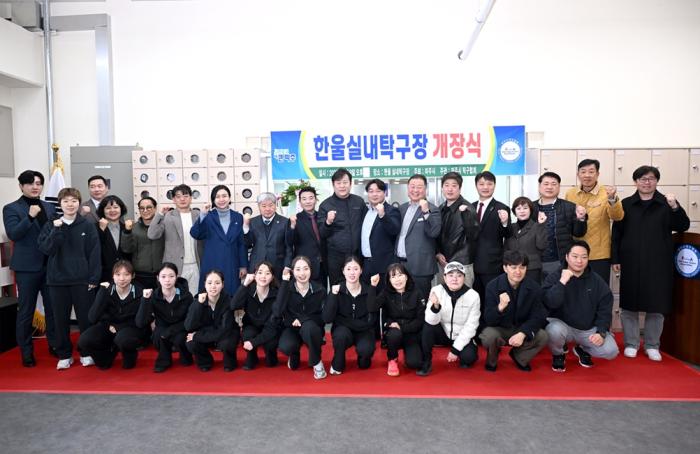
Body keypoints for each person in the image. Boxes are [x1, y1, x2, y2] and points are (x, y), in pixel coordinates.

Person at [612, 165, 690, 361]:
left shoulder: (666, 203)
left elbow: (683, 225)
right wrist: (616, 258)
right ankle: (631, 343)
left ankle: (652, 345)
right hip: (631, 260)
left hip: (658, 262)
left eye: (651, 179)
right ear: (635, 182)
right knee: (629, 304)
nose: (647, 182)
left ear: (656, 181)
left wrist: (675, 207)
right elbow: (616, 234)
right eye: (643, 179)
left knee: (656, 304)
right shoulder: (626, 204)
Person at [37, 187, 101, 370]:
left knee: (85, 320)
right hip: (57, 281)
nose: (70, 204)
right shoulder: (51, 225)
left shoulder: (87, 225)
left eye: (74, 201)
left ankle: (86, 352)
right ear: (60, 204)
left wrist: (93, 279)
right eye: (66, 201)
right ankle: (64, 355)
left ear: (79, 203)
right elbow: (47, 249)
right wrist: (56, 230)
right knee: (60, 320)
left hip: (82, 280)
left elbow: (94, 253)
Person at [2, 170, 57, 366]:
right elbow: (13, 234)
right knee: (26, 311)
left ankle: (55, 345)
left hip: (50, 267)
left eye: (39, 183)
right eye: (30, 183)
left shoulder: (49, 207)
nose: (35, 187)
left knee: (53, 310)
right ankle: (26, 352)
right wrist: (30, 217)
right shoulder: (11, 208)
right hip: (27, 269)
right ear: (21, 186)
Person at [542, 241, 619, 372]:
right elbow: (550, 303)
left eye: (584, 257)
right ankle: (558, 354)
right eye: (575, 256)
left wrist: (601, 332)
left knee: (611, 351)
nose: (579, 261)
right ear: (567, 257)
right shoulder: (554, 276)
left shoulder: (597, 281)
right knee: (553, 331)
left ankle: (582, 349)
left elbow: (605, 308)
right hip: (562, 326)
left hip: (587, 329)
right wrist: (562, 282)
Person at [480, 251, 548, 372]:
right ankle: (492, 360)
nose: (518, 271)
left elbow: (538, 316)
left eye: (522, 267)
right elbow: (488, 319)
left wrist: (523, 333)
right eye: (513, 267)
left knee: (543, 336)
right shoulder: (492, 286)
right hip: (500, 328)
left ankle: (519, 357)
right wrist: (500, 307)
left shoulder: (534, 287)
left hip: (521, 327)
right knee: (489, 336)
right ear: (505, 268)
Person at [77, 260, 147, 369]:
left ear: (133, 276)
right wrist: (102, 292)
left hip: (130, 328)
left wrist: (119, 327)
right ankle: (108, 353)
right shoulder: (106, 290)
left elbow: (140, 323)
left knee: (123, 341)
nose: (122, 278)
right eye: (118, 274)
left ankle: (130, 355)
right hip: (108, 326)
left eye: (126, 274)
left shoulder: (140, 292)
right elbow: (92, 318)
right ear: (113, 276)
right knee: (84, 340)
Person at [565, 159, 624, 283]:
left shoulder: (606, 193)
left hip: (599, 254)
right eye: (583, 172)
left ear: (597, 174)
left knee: (599, 289)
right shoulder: (570, 194)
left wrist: (612, 199)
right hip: (576, 253)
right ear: (578, 174)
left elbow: (617, 216)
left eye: (591, 172)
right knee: (575, 289)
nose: (587, 175)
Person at [417, 261, 480, 376]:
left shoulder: (473, 295)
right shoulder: (436, 290)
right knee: (427, 326)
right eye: (451, 275)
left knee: (468, 359)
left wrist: (455, 350)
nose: (454, 279)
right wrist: (435, 307)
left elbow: (471, 326)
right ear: (444, 277)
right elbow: (430, 321)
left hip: (460, 334)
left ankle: (461, 349)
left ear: (464, 278)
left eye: (459, 275)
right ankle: (426, 361)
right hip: (442, 332)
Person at [323, 256, 380, 375]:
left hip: (364, 331)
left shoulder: (368, 290)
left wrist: (346, 322)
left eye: (355, 269)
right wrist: (333, 295)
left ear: (361, 271)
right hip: (344, 331)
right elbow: (327, 318)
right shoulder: (337, 290)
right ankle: (338, 359)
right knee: (341, 335)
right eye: (348, 269)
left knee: (365, 359)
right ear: (343, 271)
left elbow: (372, 319)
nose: (352, 273)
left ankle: (363, 357)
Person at [273, 256, 327, 379]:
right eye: (298, 269)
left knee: (309, 328)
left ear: (311, 270)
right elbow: (277, 312)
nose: (302, 273)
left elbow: (324, 317)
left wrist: (303, 320)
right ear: (292, 272)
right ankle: (294, 354)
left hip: (312, 328)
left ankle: (317, 362)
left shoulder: (320, 290)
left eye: (305, 269)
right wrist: (284, 283)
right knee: (286, 346)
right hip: (292, 327)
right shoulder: (287, 288)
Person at [368, 263, 425, 376]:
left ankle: (409, 352)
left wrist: (402, 328)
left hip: (411, 332)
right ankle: (392, 358)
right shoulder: (386, 293)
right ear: (389, 280)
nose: (397, 280)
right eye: (393, 277)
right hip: (393, 332)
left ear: (406, 277)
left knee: (414, 363)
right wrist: (373, 286)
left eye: (400, 275)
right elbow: (371, 307)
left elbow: (420, 320)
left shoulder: (417, 292)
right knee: (394, 334)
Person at [136, 262, 194, 373]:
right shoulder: (154, 296)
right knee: (160, 335)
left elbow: (190, 321)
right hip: (162, 329)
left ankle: (185, 355)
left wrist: (171, 331)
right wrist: (145, 300)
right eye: (163, 276)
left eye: (171, 276)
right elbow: (140, 322)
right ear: (158, 278)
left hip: (181, 328)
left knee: (181, 341)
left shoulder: (186, 295)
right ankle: (164, 360)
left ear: (176, 277)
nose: (167, 280)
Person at [190, 185, 248, 294]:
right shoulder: (208, 216)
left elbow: (241, 243)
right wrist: (202, 215)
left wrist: (243, 265)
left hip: (231, 262)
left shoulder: (238, 217)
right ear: (213, 200)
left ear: (229, 198)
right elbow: (195, 234)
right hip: (212, 261)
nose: (221, 199)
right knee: (212, 293)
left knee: (231, 294)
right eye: (217, 197)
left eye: (224, 196)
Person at [147, 184, 203, 295]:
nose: (182, 199)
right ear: (173, 199)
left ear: (191, 198)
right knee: (175, 298)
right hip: (174, 266)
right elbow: (152, 234)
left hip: (196, 265)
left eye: (186, 196)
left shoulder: (198, 215)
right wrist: (159, 214)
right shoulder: (168, 216)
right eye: (178, 196)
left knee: (194, 298)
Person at [534, 172, 588, 281]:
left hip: (560, 261)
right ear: (539, 186)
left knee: (560, 289)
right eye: (546, 184)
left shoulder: (569, 207)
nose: (550, 187)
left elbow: (579, 233)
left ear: (559, 187)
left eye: (554, 184)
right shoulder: (530, 207)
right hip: (535, 262)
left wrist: (581, 219)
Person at [395, 174, 442, 298]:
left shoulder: (433, 209)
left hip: (420, 266)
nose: (415, 190)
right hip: (400, 265)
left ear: (425, 189)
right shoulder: (402, 208)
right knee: (403, 301)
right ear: (408, 188)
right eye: (412, 186)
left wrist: (426, 212)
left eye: (419, 187)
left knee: (421, 301)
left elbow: (434, 232)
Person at [317, 168, 367, 284]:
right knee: (337, 288)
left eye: (345, 182)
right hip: (335, 258)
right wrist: (328, 222)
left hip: (357, 255)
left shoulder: (359, 202)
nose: (342, 186)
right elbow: (322, 233)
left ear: (350, 183)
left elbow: (367, 227)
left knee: (357, 286)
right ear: (333, 185)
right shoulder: (325, 205)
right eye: (338, 183)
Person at [185, 269, 238, 372]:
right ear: (205, 284)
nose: (213, 286)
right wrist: (198, 305)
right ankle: (205, 361)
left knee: (228, 342)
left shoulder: (228, 301)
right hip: (206, 333)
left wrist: (198, 336)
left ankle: (230, 361)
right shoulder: (197, 301)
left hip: (224, 335)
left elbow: (225, 329)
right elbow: (188, 326)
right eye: (209, 283)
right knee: (191, 343)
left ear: (222, 285)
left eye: (217, 283)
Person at [471, 171, 512, 302]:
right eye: (481, 184)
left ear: (494, 185)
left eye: (489, 184)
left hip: (492, 263)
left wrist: (505, 222)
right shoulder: (470, 207)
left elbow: (508, 234)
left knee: (492, 298)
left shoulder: (502, 208)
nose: (485, 187)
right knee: (475, 299)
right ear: (476, 186)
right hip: (471, 263)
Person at [231, 261, 280, 370]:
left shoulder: (276, 294)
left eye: (267, 273)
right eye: (260, 272)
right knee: (248, 334)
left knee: (271, 349)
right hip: (251, 326)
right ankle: (252, 356)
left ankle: (271, 355)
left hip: (269, 328)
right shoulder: (248, 290)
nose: (263, 276)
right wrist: (244, 284)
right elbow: (233, 305)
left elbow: (272, 327)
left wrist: (253, 343)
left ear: (272, 277)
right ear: (254, 275)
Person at [436, 172, 480, 287]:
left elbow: (474, 235)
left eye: (454, 185)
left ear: (460, 188)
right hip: (443, 263)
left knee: (464, 296)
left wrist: (466, 216)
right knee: (443, 296)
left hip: (462, 263)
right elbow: (437, 235)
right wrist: (438, 253)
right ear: (442, 188)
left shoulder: (467, 208)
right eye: (446, 185)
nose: (450, 189)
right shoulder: (441, 208)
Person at [359, 179, 401, 289]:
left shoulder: (392, 210)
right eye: (371, 191)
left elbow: (394, 230)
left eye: (378, 191)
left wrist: (382, 215)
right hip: (366, 264)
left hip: (383, 266)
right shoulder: (366, 211)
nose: (374, 194)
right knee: (368, 296)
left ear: (384, 192)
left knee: (383, 296)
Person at [243, 192, 292, 281]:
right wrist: (245, 227)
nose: (267, 209)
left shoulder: (285, 222)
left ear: (276, 205)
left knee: (278, 289)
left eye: (271, 205)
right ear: (259, 206)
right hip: (257, 266)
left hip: (278, 266)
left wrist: (287, 266)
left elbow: (288, 247)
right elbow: (248, 244)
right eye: (264, 206)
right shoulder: (253, 222)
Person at [120, 196, 165, 289]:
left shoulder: (163, 226)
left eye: (149, 207)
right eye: (142, 208)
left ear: (155, 208)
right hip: (140, 275)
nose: (145, 211)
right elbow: (127, 249)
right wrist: (127, 232)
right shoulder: (133, 228)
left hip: (162, 273)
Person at [287, 186, 327, 288]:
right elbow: (290, 242)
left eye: (311, 198)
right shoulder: (295, 219)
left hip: (324, 264)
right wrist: (292, 226)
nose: (308, 201)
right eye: (304, 199)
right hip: (305, 266)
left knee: (322, 292)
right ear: (300, 202)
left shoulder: (323, 217)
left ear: (316, 200)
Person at [504, 197, 548, 283]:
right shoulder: (511, 227)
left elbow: (542, 245)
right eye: (518, 208)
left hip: (532, 269)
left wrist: (541, 225)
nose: (522, 211)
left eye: (525, 208)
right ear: (514, 211)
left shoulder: (537, 226)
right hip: (513, 269)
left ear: (530, 210)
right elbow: (506, 249)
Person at [96, 195, 132, 282]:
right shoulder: (95, 228)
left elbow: (130, 251)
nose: (112, 210)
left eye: (116, 207)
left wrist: (128, 231)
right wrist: (101, 231)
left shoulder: (127, 227)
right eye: (108, 208)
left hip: (124, 275)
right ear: (103, 210)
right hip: (103, 275)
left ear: (121, 209)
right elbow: (94, 250)